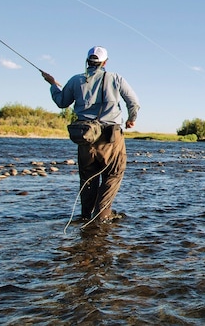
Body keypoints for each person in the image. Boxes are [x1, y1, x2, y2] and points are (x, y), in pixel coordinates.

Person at [42, 46, 140, 223]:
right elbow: (133, 102)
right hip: (111, 136)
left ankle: (86, 216)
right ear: (105, 62)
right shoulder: (115, 78)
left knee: (88, 178)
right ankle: (102, 215)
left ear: (88, 61)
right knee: (114, 174)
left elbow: (61, 102)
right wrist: (131, 119)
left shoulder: (75, 80)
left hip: (86, 137)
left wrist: (53, 85)